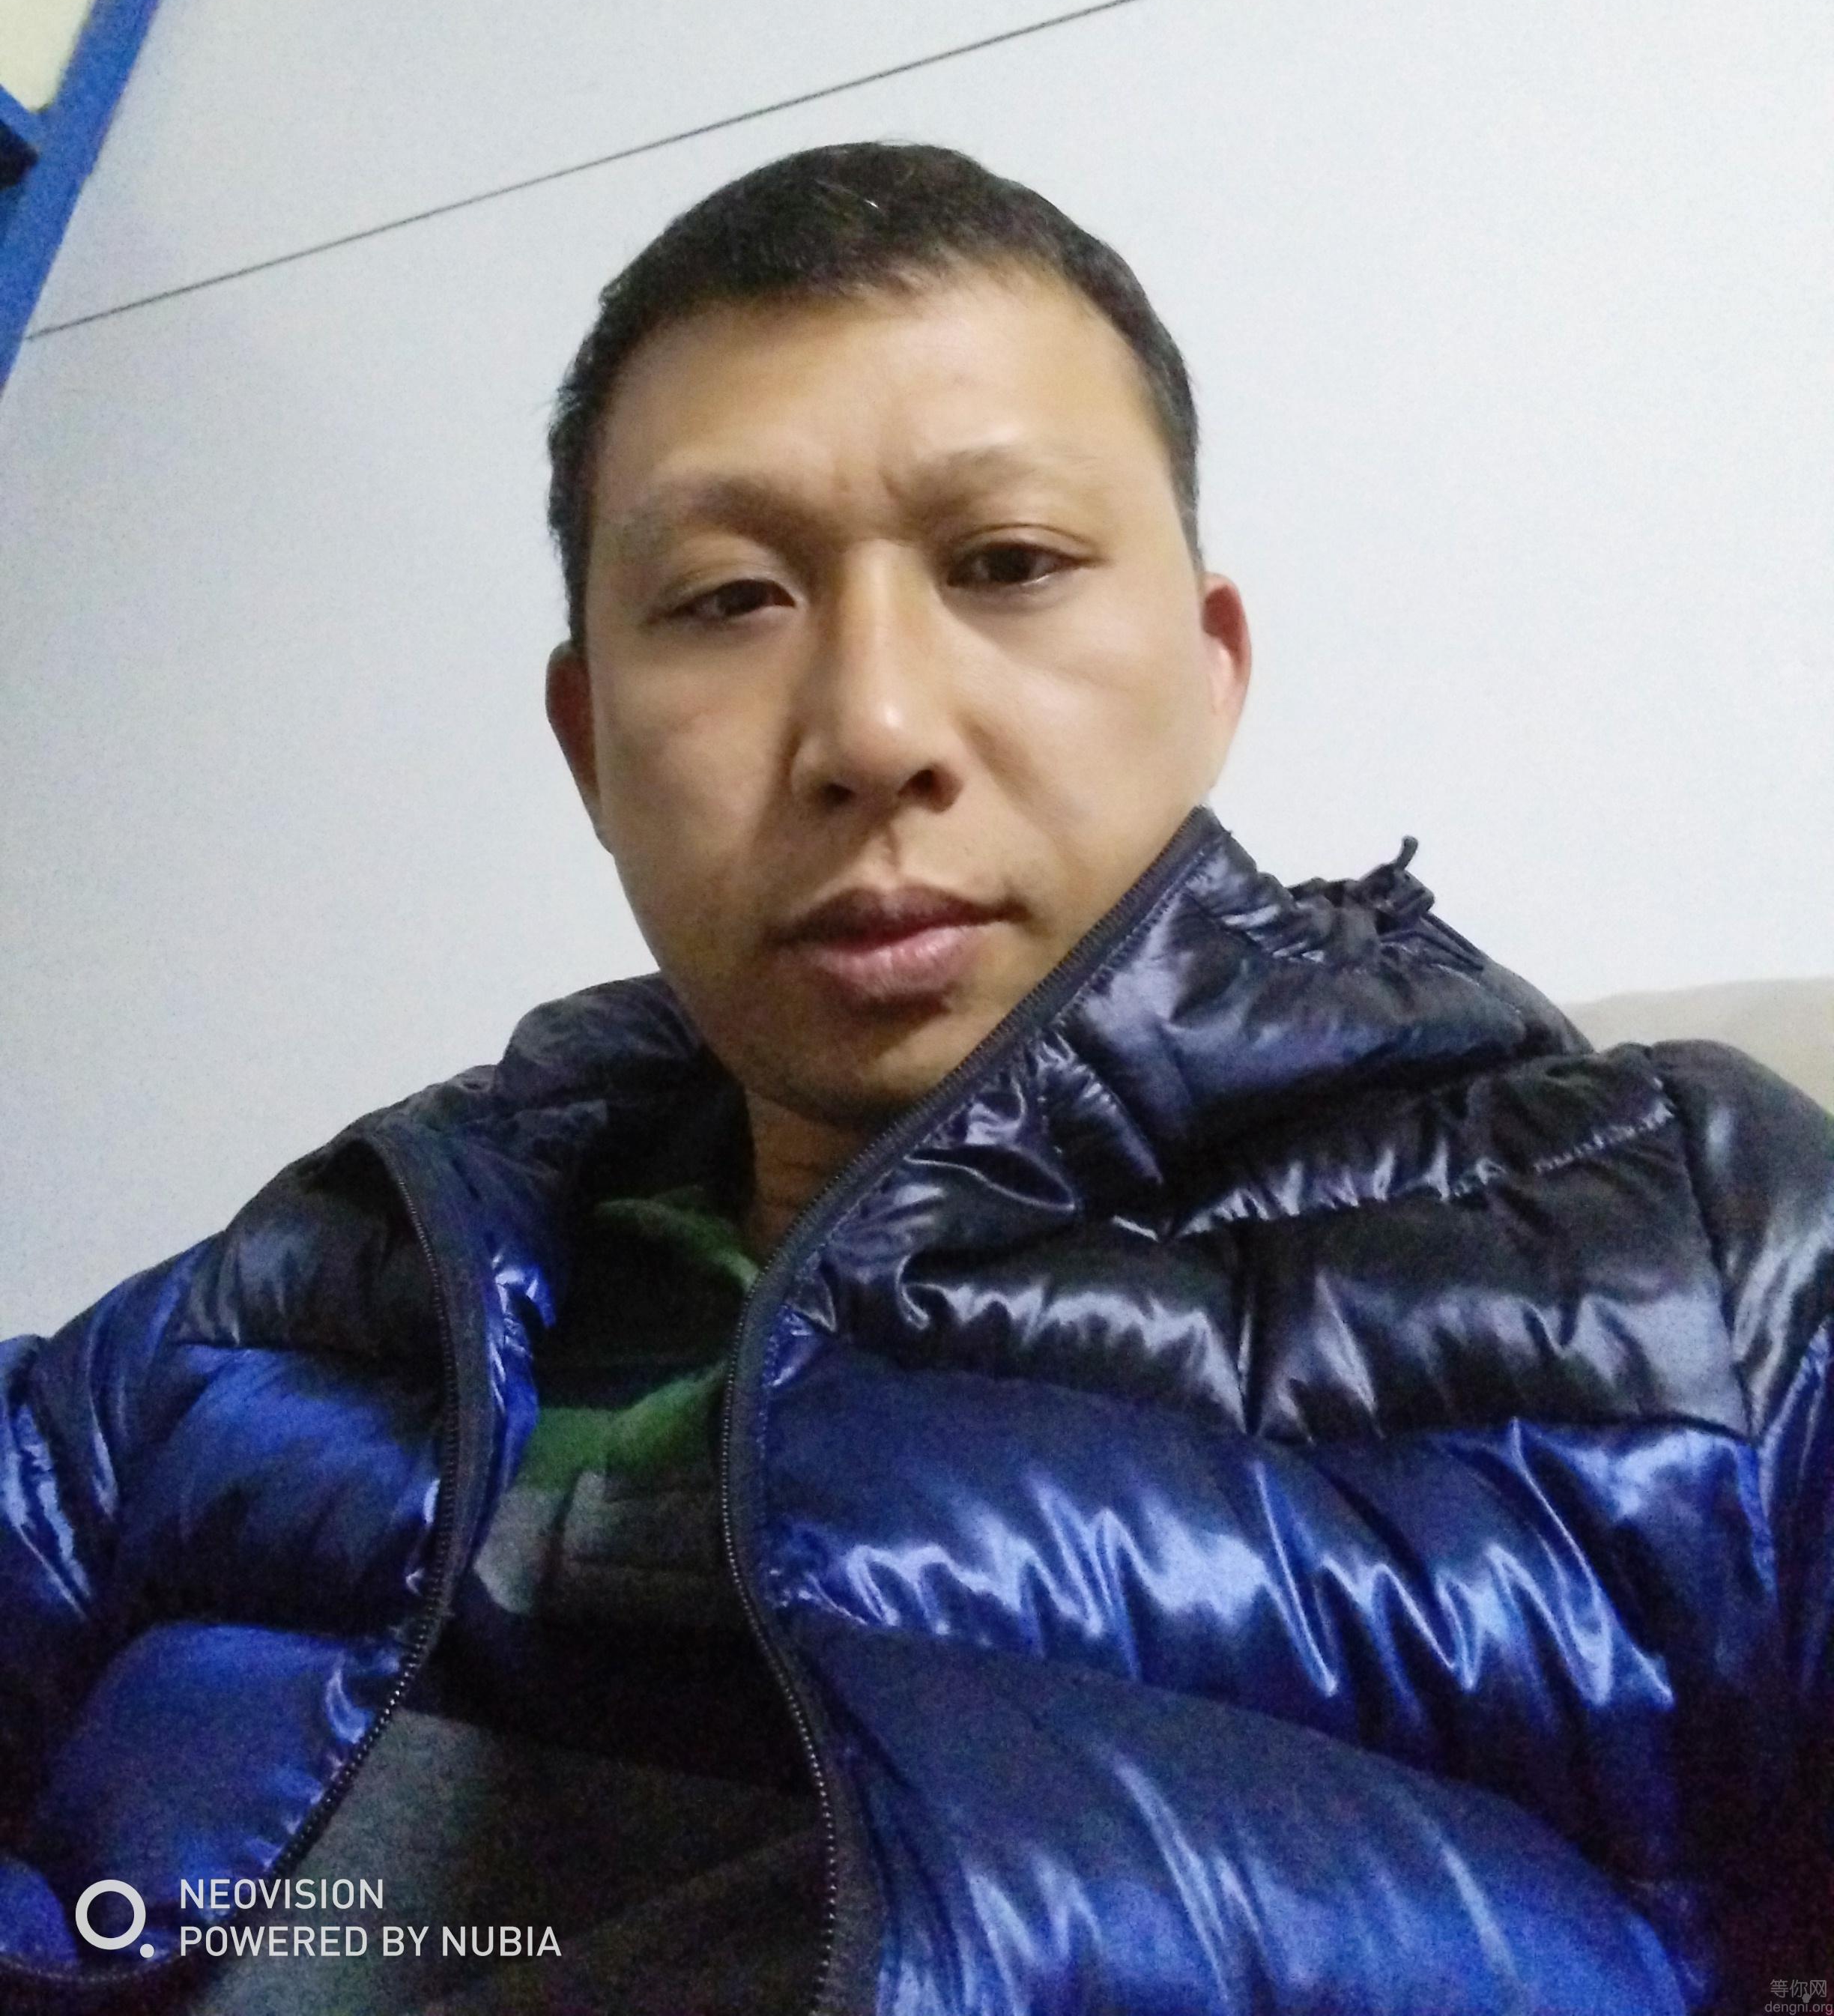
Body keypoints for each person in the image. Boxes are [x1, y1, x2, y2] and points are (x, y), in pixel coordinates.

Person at [1, 142, 1829, 2016]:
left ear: (1211, 670)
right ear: (589, 740)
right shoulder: (327, 1274)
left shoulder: (1701, 1257)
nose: (874, 728)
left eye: (1008, 565)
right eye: (728, 598)